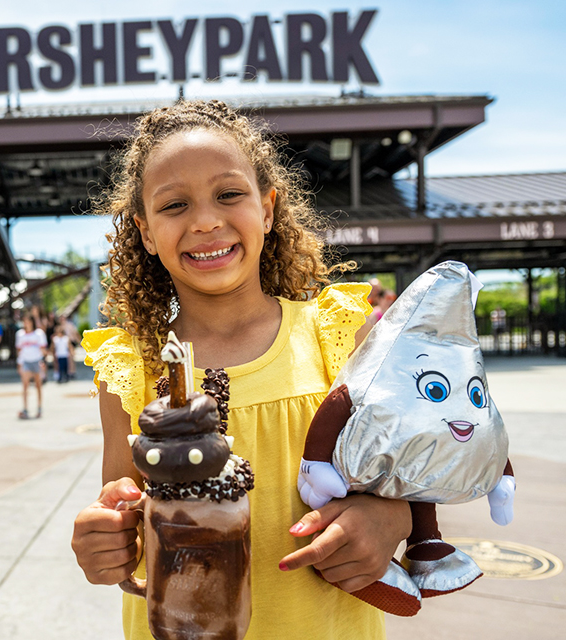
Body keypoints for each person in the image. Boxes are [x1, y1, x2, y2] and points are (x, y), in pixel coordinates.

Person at [69, 100, 410, 639]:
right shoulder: (130, 367)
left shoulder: (339, 338)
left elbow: (413, 478)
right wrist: (104, 540)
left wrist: (393, 517)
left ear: (268, 209)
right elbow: (124, 512)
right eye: (174, 205)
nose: (206, 221)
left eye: (229, 194)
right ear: (146, 231)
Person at [15, 314, 47, 419]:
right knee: (25, 385)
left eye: (28, 321)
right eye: (24, 321)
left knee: (38, 385)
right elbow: (19, 350)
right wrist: (19, 364)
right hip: (26, 362)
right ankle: (25, 409)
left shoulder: (39, 334)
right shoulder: (20, 334)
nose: (26, 324)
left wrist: (43, 362)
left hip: (37, 361)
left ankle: (39, 408)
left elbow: (43, 350)